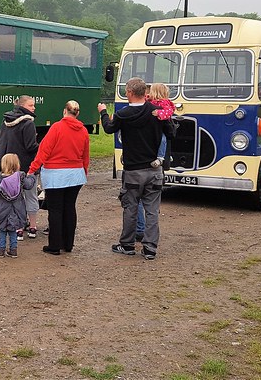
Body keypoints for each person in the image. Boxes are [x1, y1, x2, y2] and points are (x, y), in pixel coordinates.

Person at [98, 77, 175, 260]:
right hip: (154, 170)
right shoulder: (157, 112)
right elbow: (171, 132)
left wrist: (102, 112)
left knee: (130, 208)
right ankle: (149, 248)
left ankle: (127, 245)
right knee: (152, 210)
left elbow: (109, 129)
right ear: (144, 93)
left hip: (133, 171)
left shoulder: (123, 114)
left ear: (130, 93)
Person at [28, 100, 91, 255]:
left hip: (56, 174)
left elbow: (44, 151)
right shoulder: (83, 130)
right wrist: (83, 171)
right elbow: (85, 155)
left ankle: (54, 245)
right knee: (70, 208)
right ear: (78, 113)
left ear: (64, 111)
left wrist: (32, 170)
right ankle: (68, 244)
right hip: (76, 174)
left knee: (55, 210)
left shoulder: (57, 128)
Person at [0, 95, 40, 239]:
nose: (34, 108)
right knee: (31, 196)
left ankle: (18, 228)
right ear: (24, 106)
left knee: (14, 198)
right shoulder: (28, 123)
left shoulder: (6, 121)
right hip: (26, 167)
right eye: (31, 105)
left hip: (8, 166)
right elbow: (30, 146)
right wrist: (43, 147)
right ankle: (32, 228)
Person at [0, 153, 36, 258]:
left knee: (2, 230)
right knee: (13, 229)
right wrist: (32, 176)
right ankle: (13, 250)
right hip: (16, 208)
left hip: (1, 208)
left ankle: (1, 250)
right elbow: (29, 185)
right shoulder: (20, 177)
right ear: (17, 164)